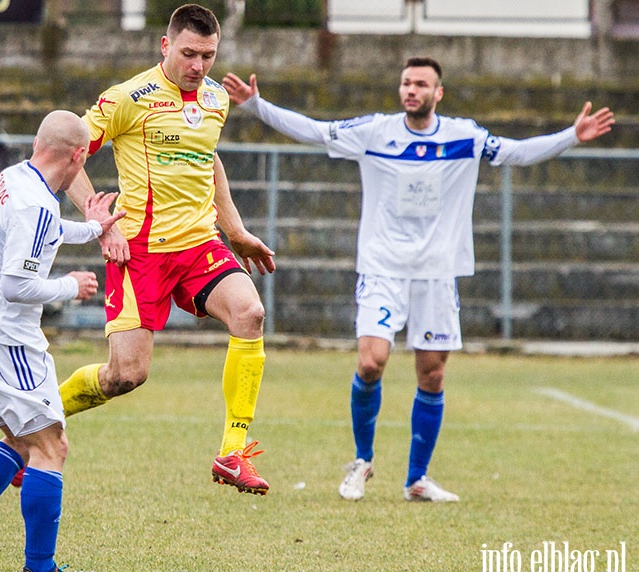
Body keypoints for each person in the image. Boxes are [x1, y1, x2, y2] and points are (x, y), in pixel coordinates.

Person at [222, 58, 615, 502]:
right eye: (406, 82)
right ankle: (362, 461)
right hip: (382, 267)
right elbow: (316, 130)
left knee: (432, 375)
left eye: (421, 84)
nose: (411, 90)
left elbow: (517, 152)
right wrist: (257, 106)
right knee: (371, 362)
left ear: (438, 93)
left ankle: (417, 479)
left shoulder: (464, 136)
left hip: (437, 273)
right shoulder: (374, 131)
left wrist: (571, 137)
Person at [57, 3, 277, 495]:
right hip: (140, 254)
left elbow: (209, 162)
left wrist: (236, 231)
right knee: (126, 375)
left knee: (251, 313)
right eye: (189, 54)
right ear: (165, 45)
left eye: (208, 56)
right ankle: (41, 415)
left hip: (200, 244)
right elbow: (67, 153)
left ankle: (232, 453)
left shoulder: (216, 99)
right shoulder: (129, 98)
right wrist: (97, 220)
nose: (198, 66)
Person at [0, 110, 124, 572]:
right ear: (80, 156)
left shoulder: (13, 178)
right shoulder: (35, 205)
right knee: (51, 447)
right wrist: (71, 285)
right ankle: (39, 569)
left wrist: (91, 227)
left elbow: (40, 231)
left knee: (24, 442)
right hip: (2, 339)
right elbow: (17, 285)